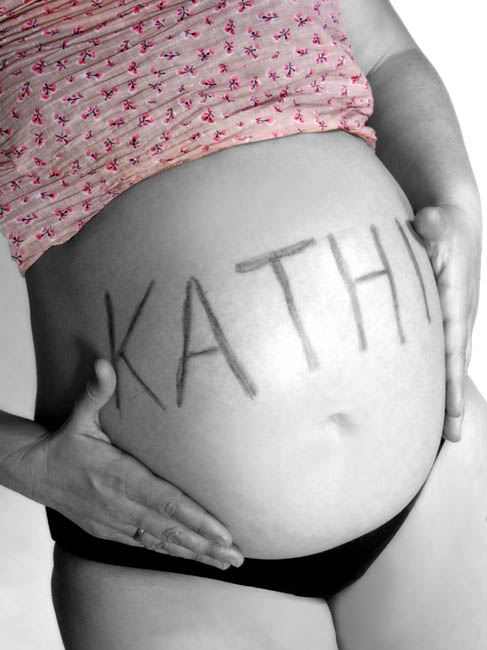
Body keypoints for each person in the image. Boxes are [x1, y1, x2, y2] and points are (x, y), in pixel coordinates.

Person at [0, 0, 484, 648]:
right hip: (160, 550)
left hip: (438, 472)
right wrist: (22, 462)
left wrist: (456, 199)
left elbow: (384, 55)